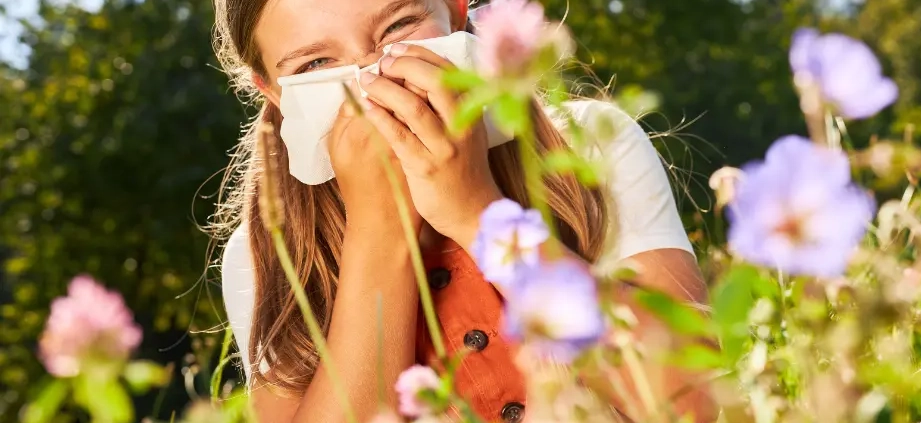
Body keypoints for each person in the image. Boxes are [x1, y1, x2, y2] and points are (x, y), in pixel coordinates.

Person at [210, 0, 712, 421]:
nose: (370, 78)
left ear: (453, 7)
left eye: (399, 25)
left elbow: (701, 400)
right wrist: (379, 231)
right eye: (316, 66)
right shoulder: (263, 256)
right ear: (274, 93)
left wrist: (476, 211)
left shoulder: (590, 147)